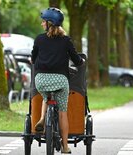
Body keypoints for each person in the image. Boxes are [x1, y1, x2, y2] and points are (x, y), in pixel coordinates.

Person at [31, 7, 84, 154]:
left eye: (43, 21)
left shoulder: (39, 39)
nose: (42, 24)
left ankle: (42, 118)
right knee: (62, 112)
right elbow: (76, 59)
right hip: (60, 81)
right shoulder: (66, 41)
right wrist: (80, 62)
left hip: (41, 80)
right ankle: (65, 146)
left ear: (49, 23)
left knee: (45, 98)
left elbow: (33, 59)